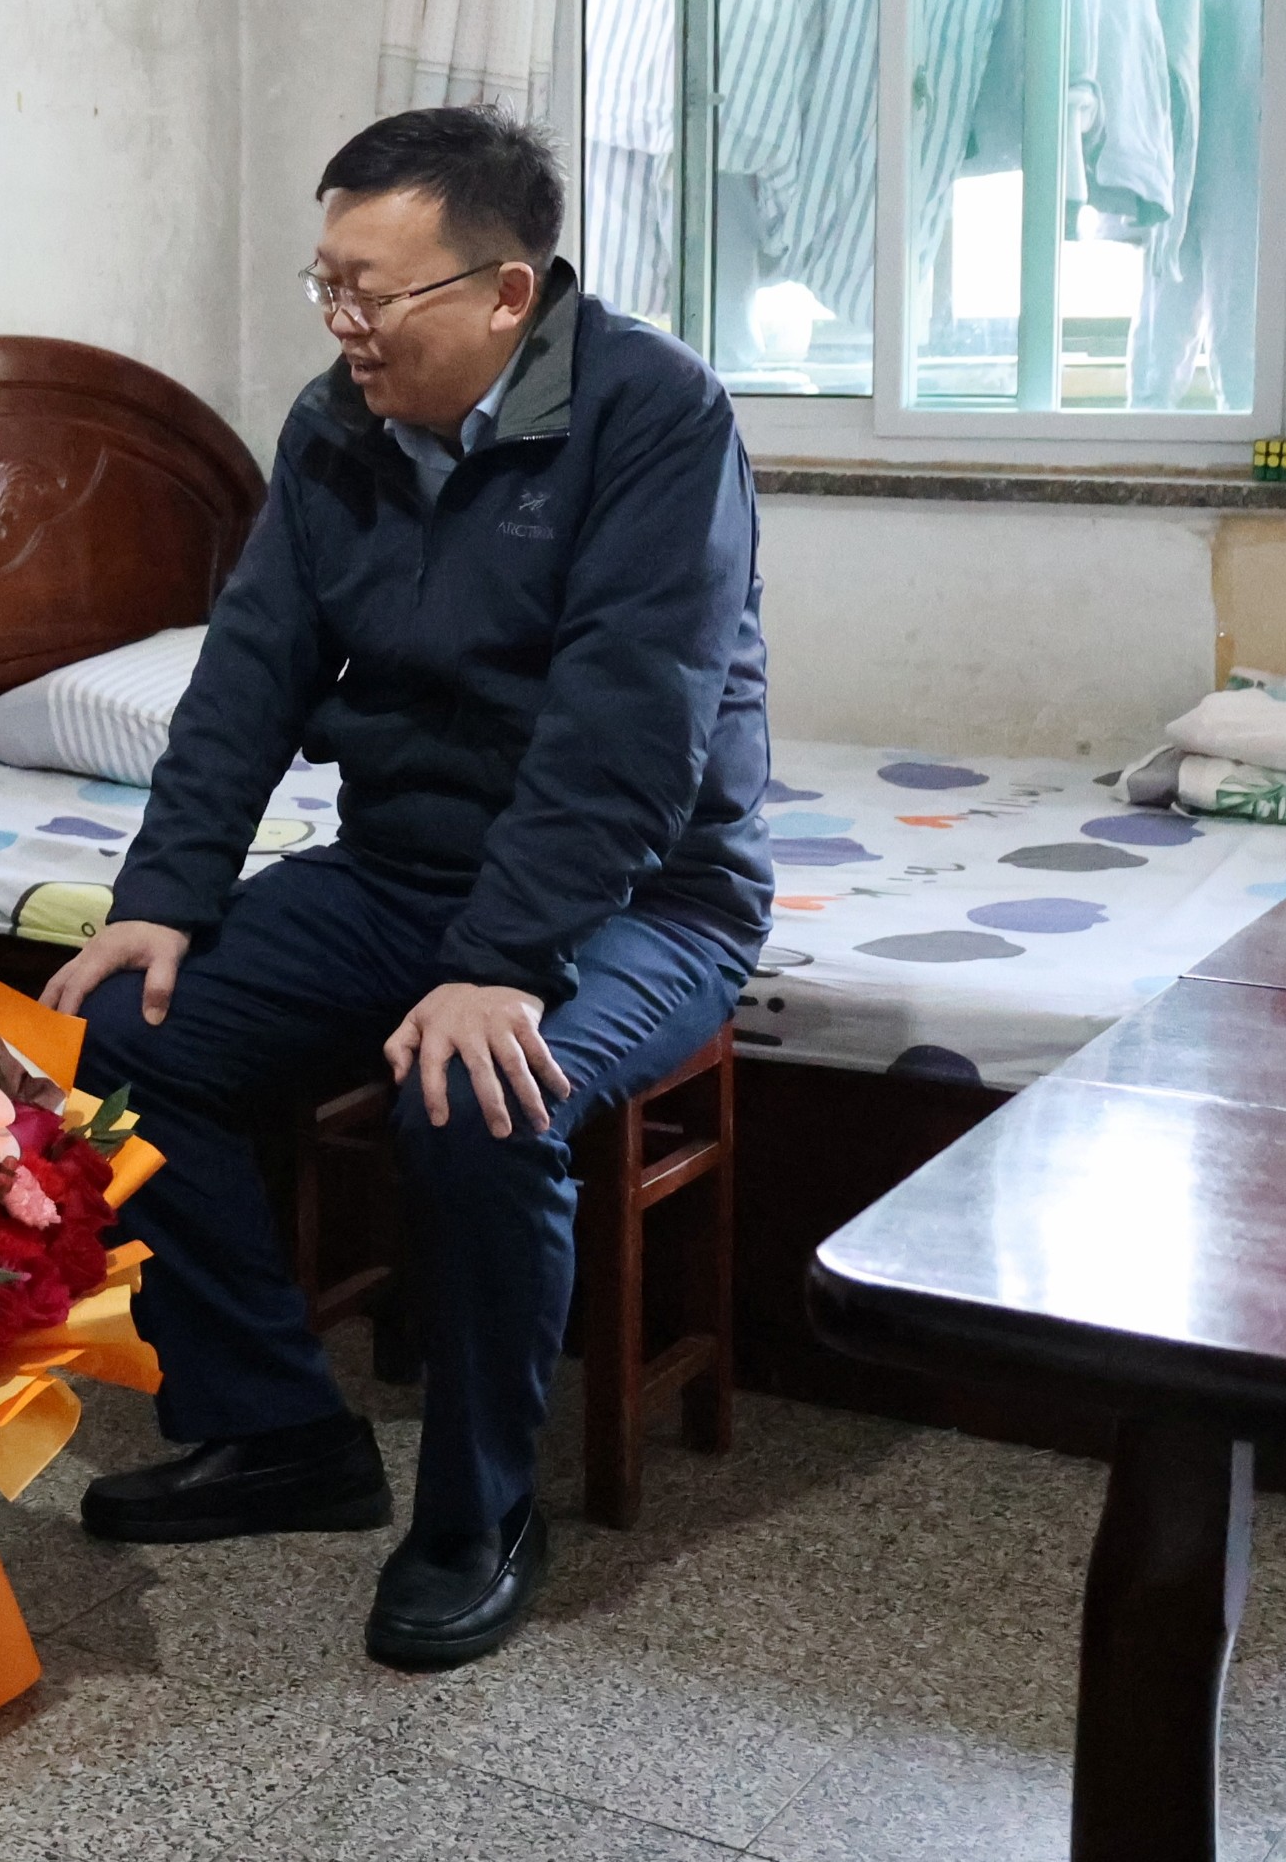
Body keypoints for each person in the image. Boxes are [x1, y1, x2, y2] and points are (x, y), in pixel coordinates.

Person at [50, 104, 770, 1670]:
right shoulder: (336, 428)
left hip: (642, 895)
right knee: (123, 1030)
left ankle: (479, 1514)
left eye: (371, 291)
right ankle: (276, 1428)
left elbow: (629, 727)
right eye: (327, 284)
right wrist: (163, 893)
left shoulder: (656, 415)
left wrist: (505, 958)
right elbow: (250, 672)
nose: (344, 323)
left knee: (476, 1093)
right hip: (402, 870)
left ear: (508, 292)